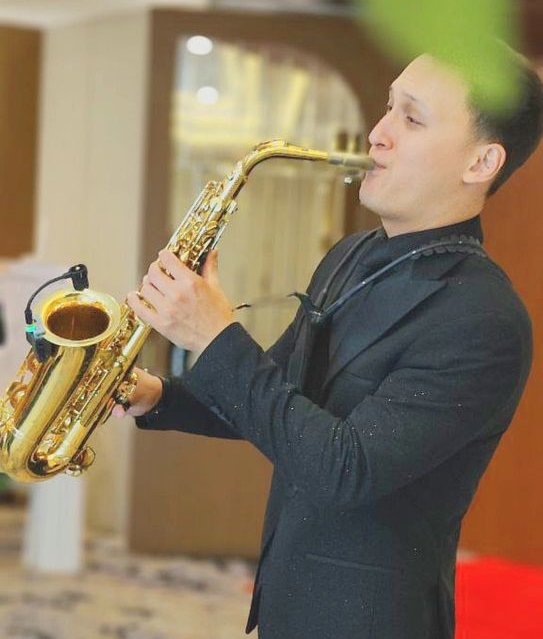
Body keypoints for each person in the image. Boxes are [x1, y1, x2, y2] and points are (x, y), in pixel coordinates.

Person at [113, 50, 543, 639]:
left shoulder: (483, 318)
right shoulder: (352, 255)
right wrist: (153, 393)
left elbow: (345, 468)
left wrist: (212, 337)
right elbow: (276, 397)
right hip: (289, 604)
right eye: (388, 107)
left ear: (482, 161)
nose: (378, 133)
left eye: (412, 118)